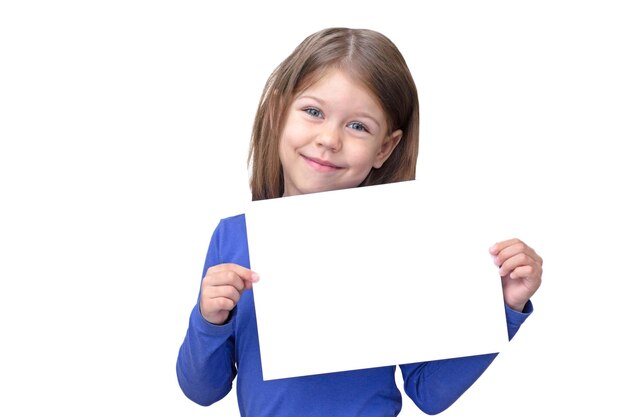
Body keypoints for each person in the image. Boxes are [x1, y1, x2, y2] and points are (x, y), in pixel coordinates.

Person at [176, 27, 543, 416]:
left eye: (358, 126)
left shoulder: (399, 243)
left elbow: (429, 393)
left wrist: (502, 306)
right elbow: (203, 390)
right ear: (275, 114)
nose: (329, 139)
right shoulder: (234, 236)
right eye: (313, 112)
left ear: (385, 147)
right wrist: (209, 319)